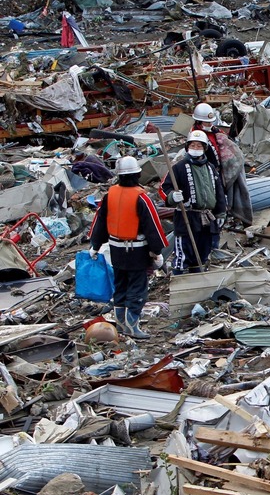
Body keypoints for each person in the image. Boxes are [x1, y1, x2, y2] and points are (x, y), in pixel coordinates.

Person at [89, 156, 168, 340]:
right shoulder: (142, 198)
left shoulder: (109, 195)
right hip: (136, 251)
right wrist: (157, 252)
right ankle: (133, 327)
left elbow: (99, 221)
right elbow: (153, 226)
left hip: (116, 250)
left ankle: (122, 325)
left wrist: (95, 244)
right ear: (137, 174)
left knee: (120, 286)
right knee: (137, 288)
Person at [160, 130, 227, 274]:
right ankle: (179, 283)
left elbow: (219, 192)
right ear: (187, 147)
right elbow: (164, 188)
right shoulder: (178, 168)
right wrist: (173, 197)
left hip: (207, 218)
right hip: (187, 217)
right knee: (183, 254)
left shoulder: (210, 169)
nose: (196, 149)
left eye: (199, 146)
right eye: (193, 146)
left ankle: (197, 281)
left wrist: (221, 213)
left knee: (203, 254)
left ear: (204, 148)